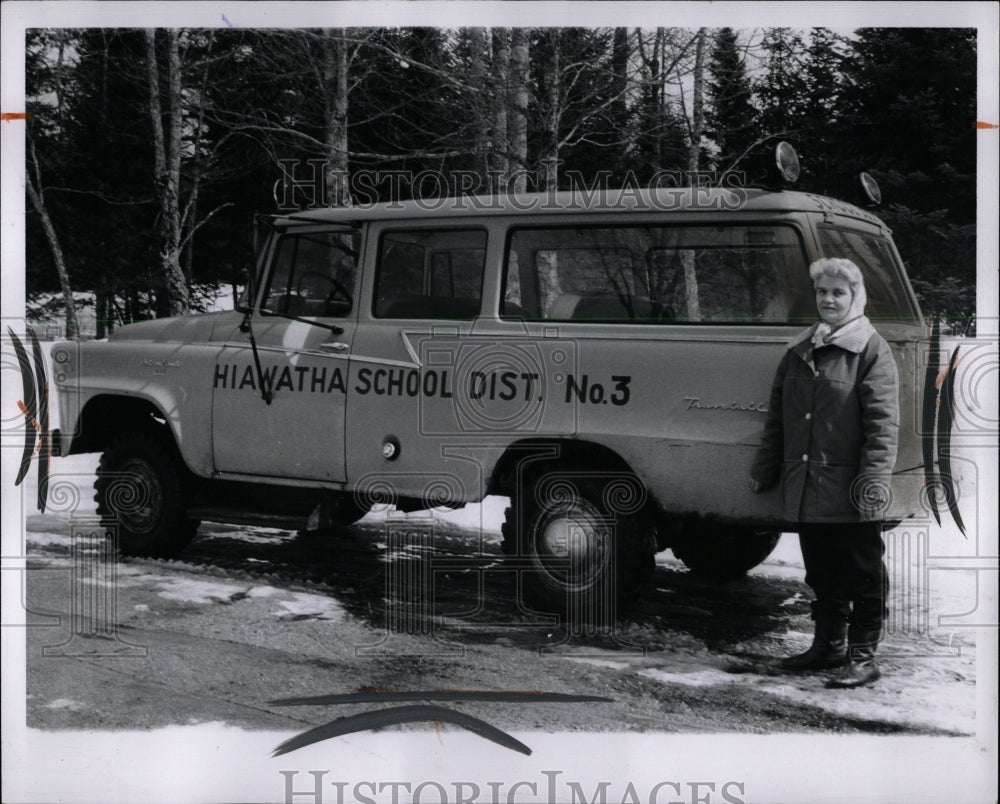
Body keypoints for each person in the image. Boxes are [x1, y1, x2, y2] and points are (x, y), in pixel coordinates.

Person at [749, 257, 899, 688]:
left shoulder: (871, 350)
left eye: (838, 292)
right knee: (821, 572)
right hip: (807, 487)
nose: (829, 299)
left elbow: (883, 427)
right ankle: (828, 647)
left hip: (851, 492)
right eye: (822, 292)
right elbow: (777, 419)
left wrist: (872, 485)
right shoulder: (800, 350)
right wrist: (764, 469)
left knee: (864, 575)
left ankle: (864, 658)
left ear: (856, 297)